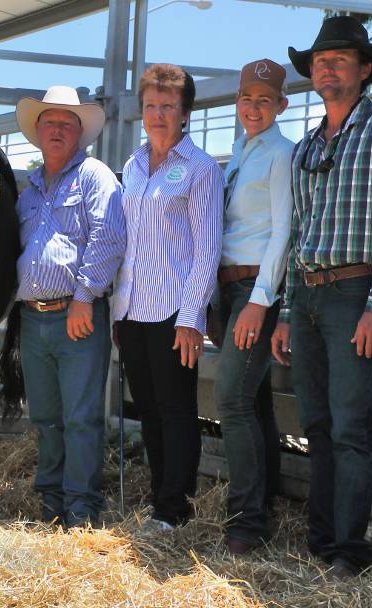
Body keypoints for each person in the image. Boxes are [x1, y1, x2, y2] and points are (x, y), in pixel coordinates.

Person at [271, 16, 372, 579]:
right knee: (316, 421)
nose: (325, 67)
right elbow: (299, 232)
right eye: (318, 61)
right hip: (307, 296)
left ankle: (350, 551)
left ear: (363, 71)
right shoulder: (309, 145)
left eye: (338, 60)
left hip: (355, 293)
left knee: (350, 427)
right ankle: (322, 539)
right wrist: (286, 312)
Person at [112, 64, 223, 530]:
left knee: (177, 411)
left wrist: (191, 317)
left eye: (168, 107)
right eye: (151, 106)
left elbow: (207, 248)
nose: (158, 114)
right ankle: (162, 498)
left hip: (174, 310)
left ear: (185, 113)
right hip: (132, 307)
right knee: (149, 409)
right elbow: (123, 238)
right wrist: (116, 307)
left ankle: (175, 509)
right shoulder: (133, 166)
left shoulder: (200, 169)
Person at [13, 86, 125, 527]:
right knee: (45, 415)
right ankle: (51, 502)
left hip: (75, 313)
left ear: (80, 133)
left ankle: (81, 508)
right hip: (32, 315)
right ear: (37, 132)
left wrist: (84, 297)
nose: (57, 130)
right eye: (50, 122)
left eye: (66, 123)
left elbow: (110, 236)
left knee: (79, 416)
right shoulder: (29, 191)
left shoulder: (94, 176)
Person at [211, 59, 293, 555]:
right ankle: (266, 502)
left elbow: (283, 230)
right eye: (247, 98)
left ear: (281, 105)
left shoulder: (282, 154)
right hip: (229, 288)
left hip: (253, 290)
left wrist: (259, 302)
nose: (254, 107)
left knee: (232, 400)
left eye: (265, 100)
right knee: (253, 398)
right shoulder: (239, 152)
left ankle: (246, 522)